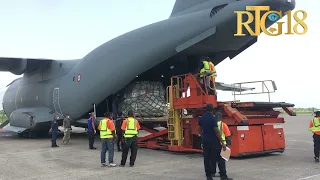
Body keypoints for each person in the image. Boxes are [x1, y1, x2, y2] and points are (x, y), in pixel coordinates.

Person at [198, 103, 227, 180]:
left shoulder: (202, 118)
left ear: (206, 109)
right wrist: (222, 143)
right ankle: (223, 176)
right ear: (213, 109)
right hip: (213, 141)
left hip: (205, 140)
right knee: (218, 157)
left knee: (206, 158)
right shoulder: (213, 118)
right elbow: (217, 131)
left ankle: (208, 175)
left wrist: (203, 136)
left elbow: (199, 129)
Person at [212, 112, 233, 180]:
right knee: (222, 161)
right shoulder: (223, 125)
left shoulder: (212, 125)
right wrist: (228, 144)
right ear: (221, 117)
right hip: (222, 145)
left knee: (213, 159)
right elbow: (228, 136)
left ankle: (212, 172)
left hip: (213, 144)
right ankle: (223, 176)